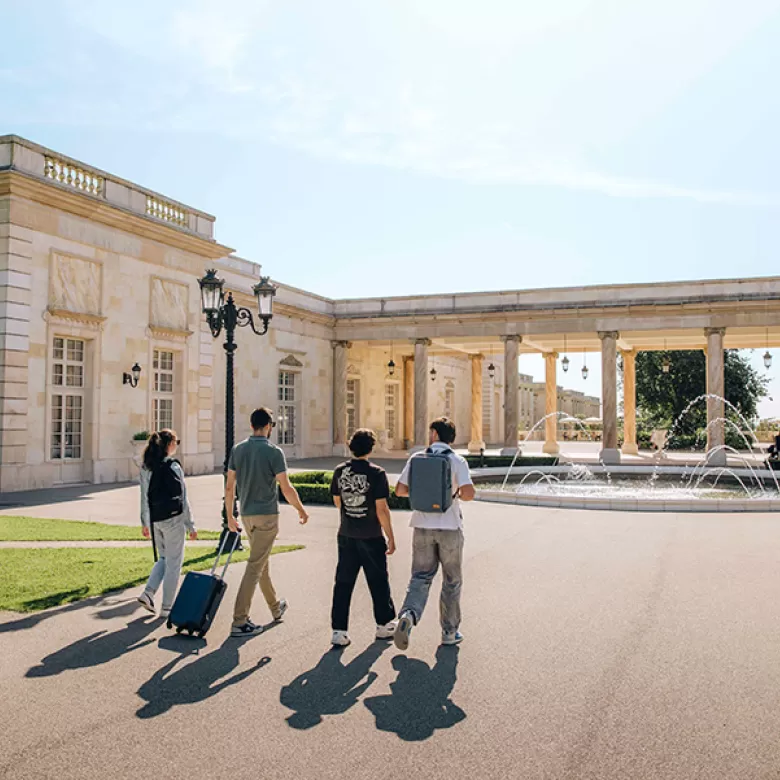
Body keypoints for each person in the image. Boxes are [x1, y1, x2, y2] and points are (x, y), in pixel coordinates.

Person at [226, 407, 309, 638]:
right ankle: (239, 621)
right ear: (269, 426)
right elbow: (286, 487)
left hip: (246, 514)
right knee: (255, 566)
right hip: (267, 516)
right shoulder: (274, 452)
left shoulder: (238, 449)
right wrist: (301, 510)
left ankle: (275, 607)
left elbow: (229, 486)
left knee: (260, 562)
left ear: (252, 425)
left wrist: (230, 516)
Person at [393, 417, 475, 650]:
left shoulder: (417, 458)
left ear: (435, 434)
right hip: (449, 527)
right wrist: (455, 492)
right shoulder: (457, 460)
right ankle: (449, 632)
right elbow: (469, 493)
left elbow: (400, 491)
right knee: (452, 580)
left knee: (420, 576)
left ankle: (408, 615)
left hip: (421, 525)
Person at [329, 428, 397, 647]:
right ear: (371, 448)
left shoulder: (340, 471)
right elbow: (381, 509)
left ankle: (339, 631)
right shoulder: (377, 473)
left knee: (343, 583)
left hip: (347, 534)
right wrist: (391, 536)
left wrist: (349, 514)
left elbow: (337, 500)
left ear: (350, 446)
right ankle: (384, 625)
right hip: (371, 535)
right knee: (378, 581)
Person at [138, 429, 197, 618]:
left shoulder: (147, 467)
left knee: (163, 559)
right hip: (174, 519)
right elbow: (183, 498)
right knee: (174, 564)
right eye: (176, 441)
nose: (176, 445)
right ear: (169, 445)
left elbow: (144, 496)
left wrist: (145, 522)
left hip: (156, 520)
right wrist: (191, 525)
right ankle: (167, 607)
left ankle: (148, 592)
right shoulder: (173, 467)